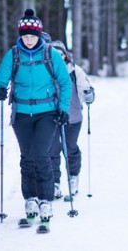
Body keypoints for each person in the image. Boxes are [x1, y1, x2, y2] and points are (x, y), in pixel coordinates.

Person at [0, 9, 72, 224]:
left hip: (47, 113)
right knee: (27, 156)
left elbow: (65, 83)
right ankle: (30, 198)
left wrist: (63, 109)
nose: (28, 39)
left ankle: (45, 199)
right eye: (25, 36)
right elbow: (0, 79)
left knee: (41, 154)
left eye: (32, 36)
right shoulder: (13, 55)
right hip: (21, 114)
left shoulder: (50, 54)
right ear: (20, 35)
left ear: (39, 35)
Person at [49, 40, 95, 199]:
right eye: (54, 54)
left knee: (70, 147)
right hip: (51, 118)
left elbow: (85, 88)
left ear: (65, 55)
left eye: (60, 53)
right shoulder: (46, 70)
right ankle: (54, 182)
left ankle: (73, 177)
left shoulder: (75, 71)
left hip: (73, 117)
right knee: (52, 149)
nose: (58, 56)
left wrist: (89, 94)